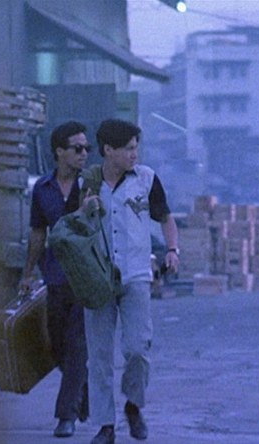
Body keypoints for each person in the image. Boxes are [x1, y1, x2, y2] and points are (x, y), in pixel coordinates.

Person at [82, 119, 179, 444]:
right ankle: (105, 426)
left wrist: (172, 250)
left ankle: (133, 405)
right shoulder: (88, 182)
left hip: (136, 275)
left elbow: (166, 218)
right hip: (97, 278)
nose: (134, 154)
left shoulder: (146, 179)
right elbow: (70, 228)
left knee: (137, 349)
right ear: (108, 150)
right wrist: (84, 210)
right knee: (99, 356)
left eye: (136, 148)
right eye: (128, 149)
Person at [19, 121, 90, 438]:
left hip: (88, 278)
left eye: (86, 148)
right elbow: (38, 233)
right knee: (57, 346)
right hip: (56, 277)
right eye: (77, 148)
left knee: (77, 346)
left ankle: (66, 416)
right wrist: (28, 273)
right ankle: (83, 393)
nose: (84, 153)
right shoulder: (43, 189)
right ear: (60, 151)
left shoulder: (91, 185)